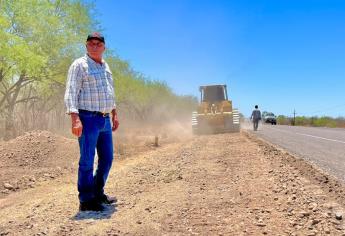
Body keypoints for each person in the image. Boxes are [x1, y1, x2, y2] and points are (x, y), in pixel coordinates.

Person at [64, 32, 119, 212]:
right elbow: (71, 92)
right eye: (91, 43)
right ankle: (86, 200)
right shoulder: (79, 65)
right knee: (87, 160)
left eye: (98, 44)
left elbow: (109, 92)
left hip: (104, 120)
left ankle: (97, 192)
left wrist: (114, 113)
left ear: (104, 47)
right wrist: (75, 119)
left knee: (107, 159)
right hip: (87, 118)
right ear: (86, 46)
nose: (94, 46)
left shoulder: (106, 67)